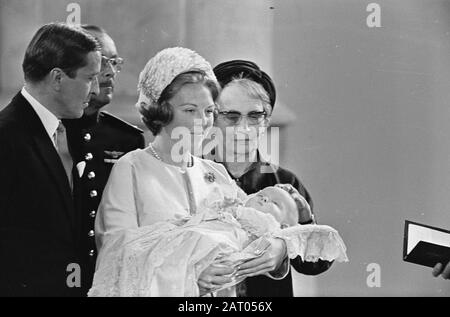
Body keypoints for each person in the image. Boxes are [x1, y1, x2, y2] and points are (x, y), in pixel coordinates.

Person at [95, 47, 289, 296]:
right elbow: (116, 254)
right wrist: (188, 274)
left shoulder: (215, 173)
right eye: (190, 110)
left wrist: (278, 246)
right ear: (161, 111)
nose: (203, 121)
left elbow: (256, 228)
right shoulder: (132, 168)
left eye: (209, 111)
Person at [207, 60, 333, 296]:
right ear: (212, 118)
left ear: (267, 120)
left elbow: (316, 264)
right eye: (231, 116)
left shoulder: (285, 182)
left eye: (255, 116)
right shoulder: (193, 177)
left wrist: (294, 236)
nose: (244, 128)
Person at [89, 184, 348, 297]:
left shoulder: (281, 188)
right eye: (231, 115)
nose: (266, 198)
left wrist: (282, 245)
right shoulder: (214, 174)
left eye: (256, 115)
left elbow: (312, 249)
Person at [0, 22, 101, 296]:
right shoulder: (6, 137)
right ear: (57, 78)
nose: (95, 91)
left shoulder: (70, 132)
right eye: (89, 78)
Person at [62, 25, 145, 294]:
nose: (110, 72)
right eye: (102, 62)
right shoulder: (52, 132)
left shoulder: (127, 139)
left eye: (115, 62)